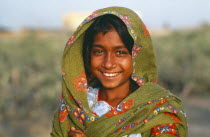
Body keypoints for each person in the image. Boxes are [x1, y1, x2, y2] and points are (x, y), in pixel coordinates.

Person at [51, 7, 188, 137]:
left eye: (120, 52)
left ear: (137, 57)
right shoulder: (74, 106)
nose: (108, 63)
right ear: (88, 54)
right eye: (99, 51)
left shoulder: (157, 108)